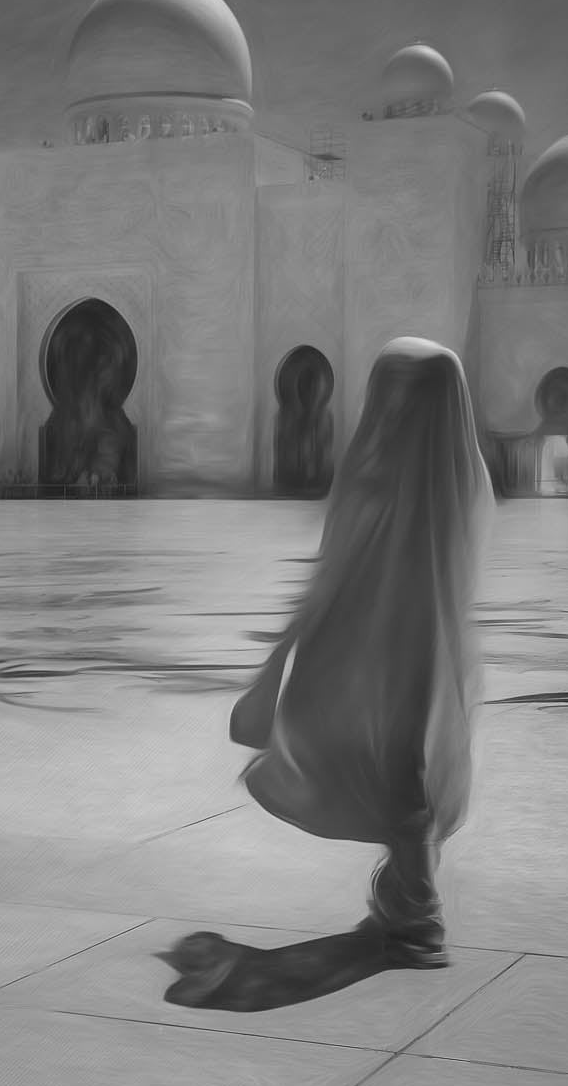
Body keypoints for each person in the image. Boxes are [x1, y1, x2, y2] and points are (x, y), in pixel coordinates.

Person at [164, 338, 493, 1006]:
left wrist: (280, 657)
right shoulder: (461, 476)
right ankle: (411, 908)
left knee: (390, 765)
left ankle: (417, 918)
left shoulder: (375, 476)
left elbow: (330, 576)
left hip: (373, 644)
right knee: (408, 764)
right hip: (426, 645)